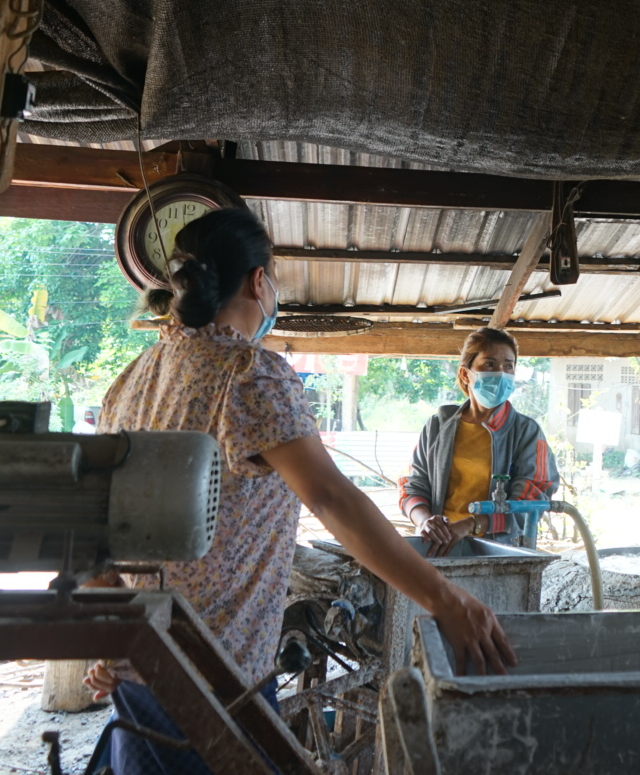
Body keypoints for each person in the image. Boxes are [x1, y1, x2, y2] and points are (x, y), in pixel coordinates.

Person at [84, 208, 514, 775]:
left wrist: (109, 626)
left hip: (141, 662)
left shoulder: (133, 377)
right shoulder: (249, 374)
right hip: (218, 674)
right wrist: (445, 599)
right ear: (258, 281)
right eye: (276, 277)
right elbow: (330, 499)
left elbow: (98, 516)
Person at [399, 327, 560, 552]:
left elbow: (531, 502)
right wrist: (425, 522)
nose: (501, 373)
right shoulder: (438, 427)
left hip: (498, 550)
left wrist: (469, 525)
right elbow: (414, 486)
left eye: (509, 366)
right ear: (466, 374)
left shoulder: (526, 432)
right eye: (490, 364)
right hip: (439, 546)